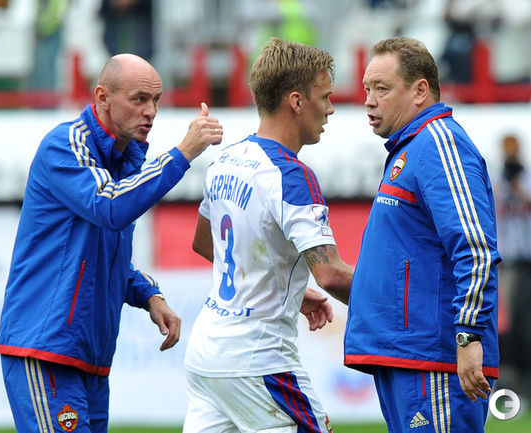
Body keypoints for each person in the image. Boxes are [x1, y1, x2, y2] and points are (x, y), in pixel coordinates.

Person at [0, 53, 223, 432]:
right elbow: (111, 206)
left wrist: (149, 294)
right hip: (45, 349)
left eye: (156, 100)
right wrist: (182, 153)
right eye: (139, 99)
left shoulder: (124, 160)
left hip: (88, 358)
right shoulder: (65, 144)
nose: (151, 111)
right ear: (103, 97)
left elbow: (102, 255)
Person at [182, 37, 353, 433]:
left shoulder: (226, 160)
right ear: (296, 101)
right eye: (324, 97)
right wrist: (401, 308)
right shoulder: (290, 174)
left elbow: (204, 243)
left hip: (207, 354)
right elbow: (330, 274)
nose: (330, 108)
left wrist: (288, 288)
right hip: (258, 361)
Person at [343, 37, 501, 432]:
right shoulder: (410, 147)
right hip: (407, 356)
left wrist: (468, 336)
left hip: (435, 359)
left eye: (382, 89)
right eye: (366, 89)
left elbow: (475, 249)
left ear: (419, 91)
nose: (369, 101)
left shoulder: (438, 144)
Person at [494, 134, 531, 402]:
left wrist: (516, 183)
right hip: (507, 262)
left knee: (524, 323)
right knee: (511, 322)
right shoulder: (498, 179)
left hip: (527, 259)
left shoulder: (525, 177)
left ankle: (523, 378)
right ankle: (514, 378)